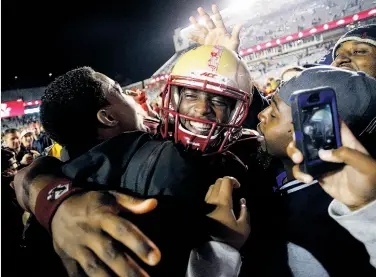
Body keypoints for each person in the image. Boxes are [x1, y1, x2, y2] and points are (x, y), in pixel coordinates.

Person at [14, 45, 264, 277]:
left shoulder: (54, 177)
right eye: (120, 92)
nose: (133, 96)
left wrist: (48, 196)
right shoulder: (172, 160)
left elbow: (26, 178)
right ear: (108, 117)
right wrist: (223, 250)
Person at [255, 66, 376, 276]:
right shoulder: (277, 169)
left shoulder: (337, 216)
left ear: (311, 130)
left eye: (273, 113)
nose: (261, 114)